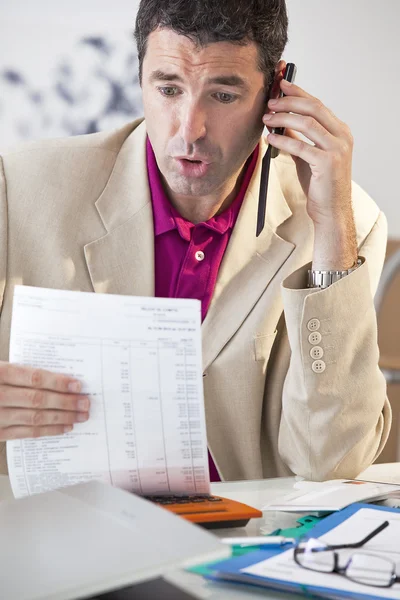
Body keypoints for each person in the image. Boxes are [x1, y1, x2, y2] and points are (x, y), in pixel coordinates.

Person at [0, 0, 391, 481]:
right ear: (140, 76)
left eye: (223, 96)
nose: (190, 130)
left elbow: (333, 459)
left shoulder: (345, 222)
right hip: (59, 529)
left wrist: (331, 223)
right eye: (168, 89)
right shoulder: (16, 186)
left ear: (276, 90)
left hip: (244, 541)